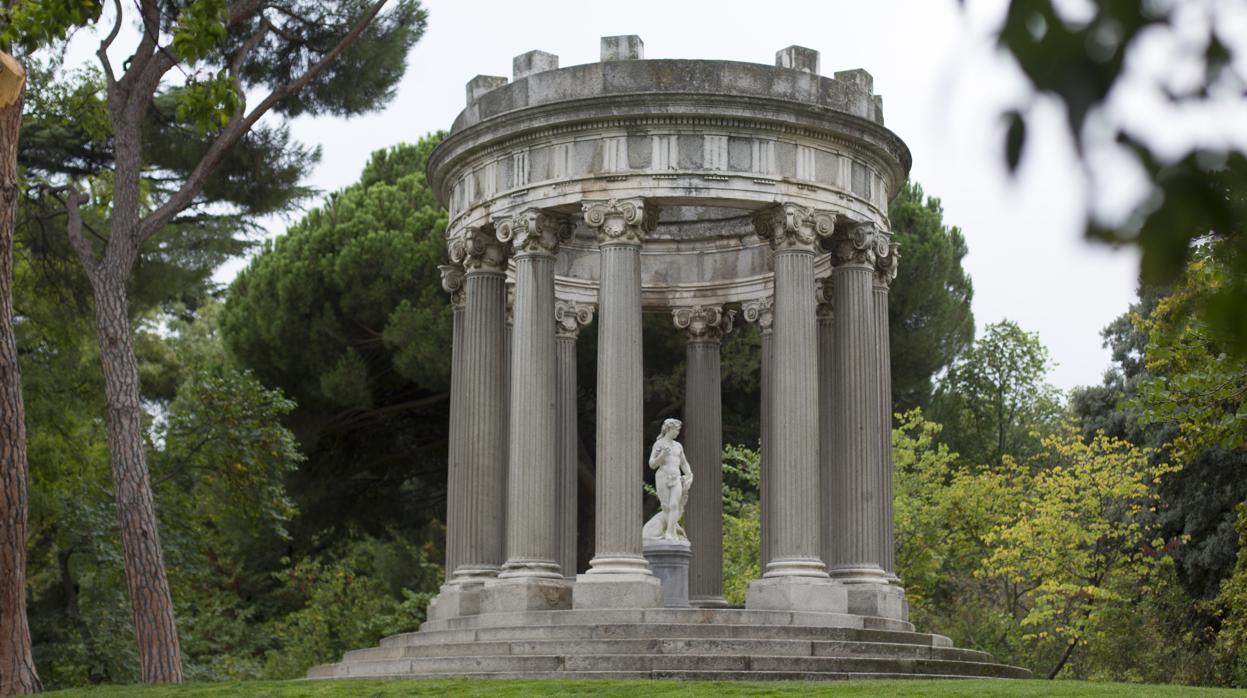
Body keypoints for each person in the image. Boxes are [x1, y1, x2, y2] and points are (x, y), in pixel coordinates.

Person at [645, 418, 694, 541]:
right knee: (666, 506)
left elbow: (684, 463)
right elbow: (652, 464)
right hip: (663, 477)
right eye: (676, 430)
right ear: (669, 429)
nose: (678, 433)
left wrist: (689, 474)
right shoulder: (659, 444)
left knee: (674, 505)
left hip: (676, 478)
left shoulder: (678, 446)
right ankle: (672, 532)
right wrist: (662, 456)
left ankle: (670, 533)